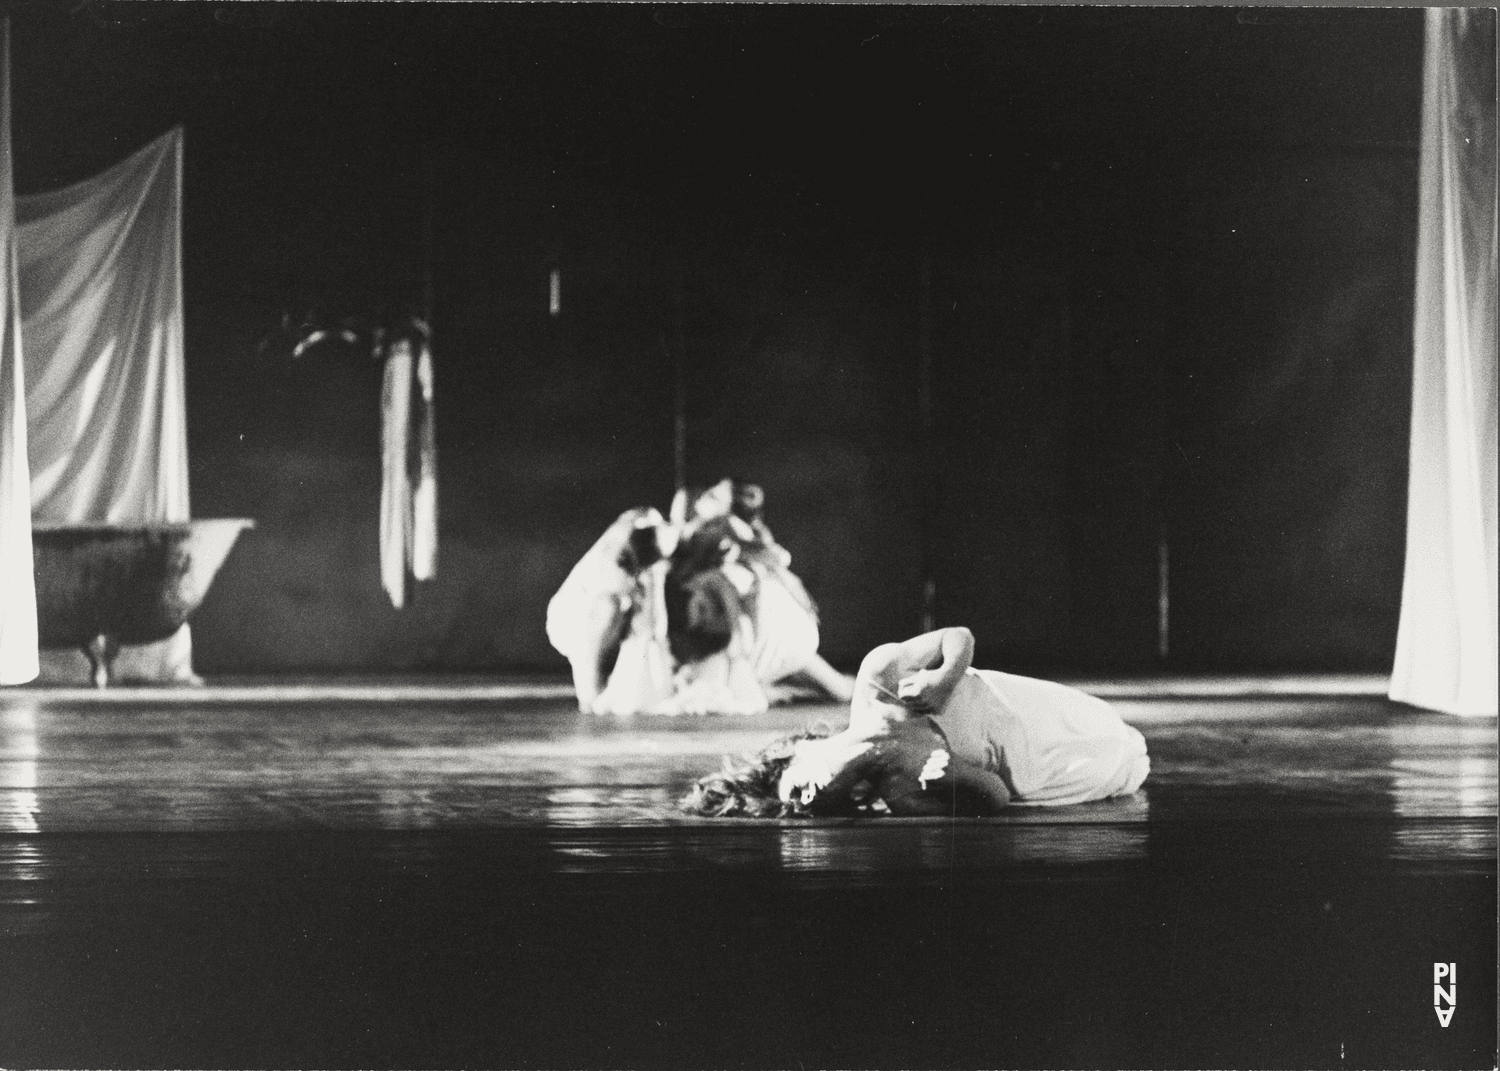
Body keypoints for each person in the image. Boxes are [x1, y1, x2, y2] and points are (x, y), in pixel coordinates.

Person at [680, 626, 1149, 816]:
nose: (812, 796)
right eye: (811, 805)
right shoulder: (903, 792)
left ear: (800, 752)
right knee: (1123, 758)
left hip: (1040, 715)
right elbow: (996, 796)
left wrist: (944, 682)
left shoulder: (877, 679)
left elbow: (958, 637)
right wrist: (954, 775)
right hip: (1053, 770)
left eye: (799, 788)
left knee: (1115, 737)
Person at [546, 482, 854, 714]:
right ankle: (594, 691)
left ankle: (837, 686)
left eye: (715, 497)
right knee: (614, 608)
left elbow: (776, 558)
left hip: (758, 631)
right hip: (589, 618)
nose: (705, 499)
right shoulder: (646, 539)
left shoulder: (720, 545)